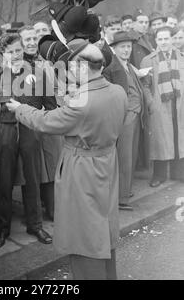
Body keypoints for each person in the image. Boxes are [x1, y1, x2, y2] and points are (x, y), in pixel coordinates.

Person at [7, 41, 128, 280]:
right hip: (106, 162)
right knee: (102, 225)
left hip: (83, 169)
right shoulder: (117, 91)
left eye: (72, 66)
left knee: (84, 233)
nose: (70, 70)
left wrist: (19, 108)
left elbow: (45, 121)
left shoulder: (81, 103)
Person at [0, 33, 53, 248]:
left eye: (17, 50)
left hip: (29, 130)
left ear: (23, 49)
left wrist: (37, 126)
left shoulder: (38, 73)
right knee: (5, 181)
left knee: (32, 178)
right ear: (3, 53)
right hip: (6, 131)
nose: (15, 55)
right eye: (10, 52)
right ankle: (3, 230)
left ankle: (35, 225)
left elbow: (50, 106)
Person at [103, 31, 150, 211]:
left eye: (129, 47)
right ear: (114, 49)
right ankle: (121, 198)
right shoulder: (111, 68)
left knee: (131, 156)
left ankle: (125, 191)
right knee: (124, 158)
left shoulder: (128, 66)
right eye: (122, 47)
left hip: (136, 115)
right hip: (124, 118)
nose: (126, 50)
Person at [19, 25, 62, 221]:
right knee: (33, 172)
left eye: (32, 39)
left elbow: (52, 100)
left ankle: (52, 207)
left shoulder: (46, 64)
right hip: (24, 125)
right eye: (25, 40)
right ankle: (34, 213)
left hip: (45, 121)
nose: (30, 43)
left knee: (51, 165)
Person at [140, 26, 184, 187]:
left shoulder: (181, 57)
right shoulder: (149, 60)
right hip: (160, 105)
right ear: (156, 41)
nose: (164, 42)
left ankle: (178, 172)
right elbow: (144, 85)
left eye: (166, 38)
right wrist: (151, 103)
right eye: (160, 39)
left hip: (179, 105)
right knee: (160, 140)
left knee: (179, 137)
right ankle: (159, 175)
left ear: (172, 39)